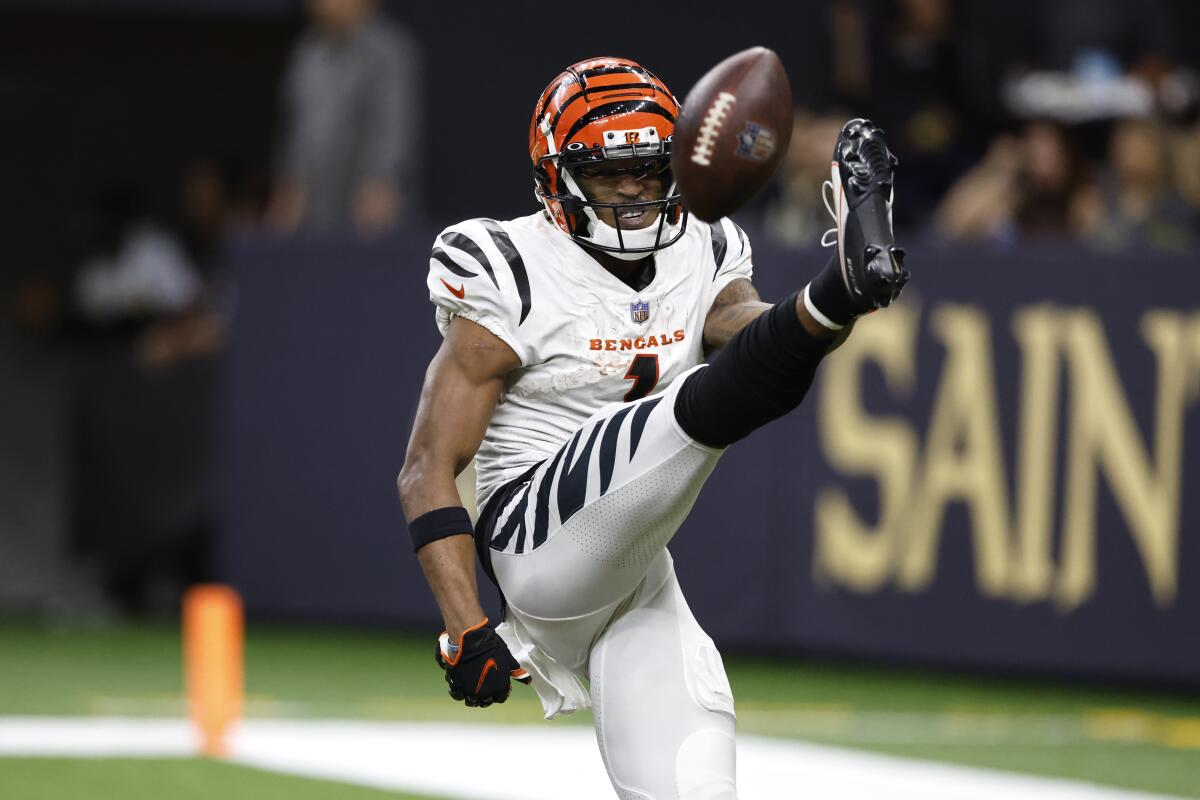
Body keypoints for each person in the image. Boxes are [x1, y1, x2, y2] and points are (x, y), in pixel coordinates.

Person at [397, 57, 908, 799]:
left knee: (696, 787)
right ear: (558, 178)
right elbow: (426, 465)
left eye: (650, 167)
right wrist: (466, 623)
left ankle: (838, 296)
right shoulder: (510, 264)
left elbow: (746, 334)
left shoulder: (702, 244)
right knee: (687, 412)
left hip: (635, 575)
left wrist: (807, 323)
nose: (636, 189)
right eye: (610, 174)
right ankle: (837, 292)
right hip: (534, 535)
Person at [267, 0, 419, 236]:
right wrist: (289, 185)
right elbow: (295, 128)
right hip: (313, 206)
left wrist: (381, 181)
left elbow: (392, 128)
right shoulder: (307, 53)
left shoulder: (389, 52)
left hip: (366, 205)